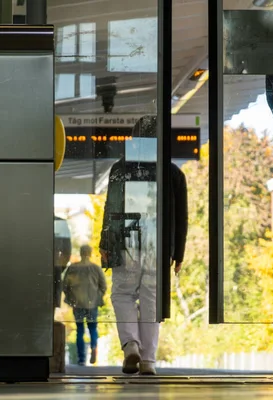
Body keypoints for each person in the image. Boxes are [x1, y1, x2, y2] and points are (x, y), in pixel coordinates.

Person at [99, 116, 188, 375]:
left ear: (134, 138)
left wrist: (105, 243)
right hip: (158, 244)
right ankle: (148, 360)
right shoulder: (172, 172)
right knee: (151, 299)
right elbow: (181, 216)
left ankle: (131, 345)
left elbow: (111, 207)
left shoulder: (120, 168)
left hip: (127, 239)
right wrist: (178, 252)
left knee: (123, 294)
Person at [62, 245, 107, 366]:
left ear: (81, 253)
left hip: (78, 303)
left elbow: (65, 285)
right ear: (90, 253)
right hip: (92, 303)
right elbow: (103, 286)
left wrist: (71, 298)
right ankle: (93, 347)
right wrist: (97, 297)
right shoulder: (96, 268)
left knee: (80, 330)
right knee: (93, 329)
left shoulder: (73, 268)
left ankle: (81, 358)